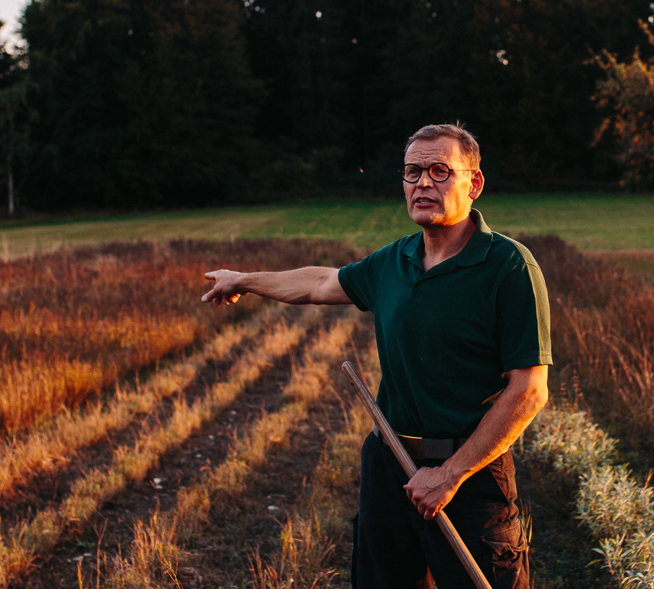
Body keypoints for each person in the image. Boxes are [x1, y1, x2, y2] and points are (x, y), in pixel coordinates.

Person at [201, 123, 552, 589]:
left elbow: (529, 391)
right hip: (390, 467)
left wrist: (448, 476)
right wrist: (244, 279)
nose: (423, 183)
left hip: (470, 478)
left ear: (474, 183)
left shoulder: (508, 267)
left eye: (440, 170)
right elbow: (320, 283)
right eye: (412, 172)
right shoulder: (394, 260)